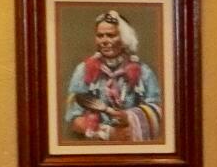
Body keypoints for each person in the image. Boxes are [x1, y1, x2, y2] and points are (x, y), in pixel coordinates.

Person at [64, 11, 164, 143]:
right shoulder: (83, 71)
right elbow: (73, 118)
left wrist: (129, 117)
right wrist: (107, 133)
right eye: (100, 36)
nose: (105, 41)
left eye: (111, 35)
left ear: (124, 39)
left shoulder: (143, 72)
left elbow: (158, 111)